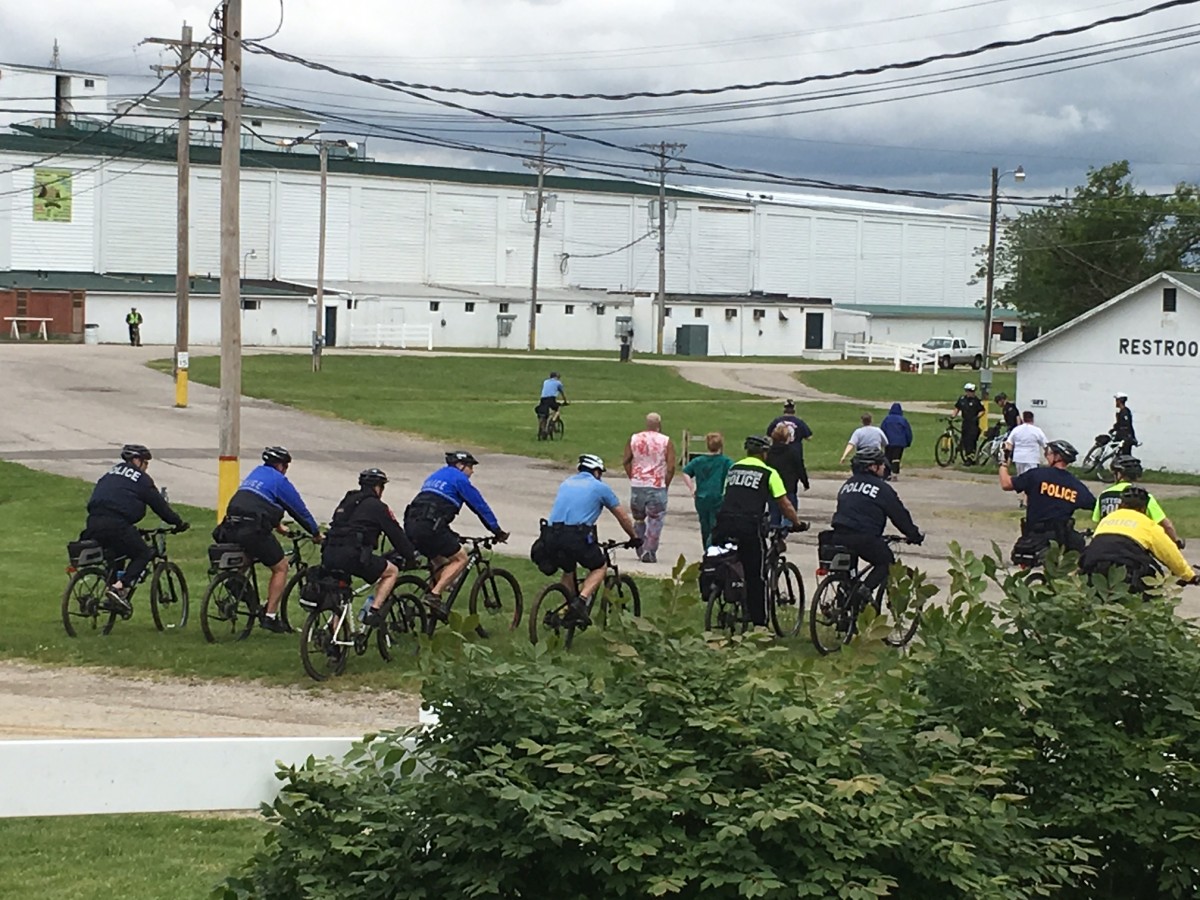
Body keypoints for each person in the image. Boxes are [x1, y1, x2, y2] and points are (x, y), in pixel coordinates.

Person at [215, 446, 323, 633]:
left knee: (248, 556)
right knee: (281, 567)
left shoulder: (256, 474)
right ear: (281, 466)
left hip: (231, 524)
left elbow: (258, 504)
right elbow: (299, 511)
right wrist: (315, 533)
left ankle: (236, 581)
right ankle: (270, 616)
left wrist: (279, 527)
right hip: (253, 529)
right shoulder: (279, 481)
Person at [80, 444, 189, 614]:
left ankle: (112, 594)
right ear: (137, 461)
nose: (146, 468)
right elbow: (159, 505)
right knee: (143, 553)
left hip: (93, 523)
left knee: (117, 554)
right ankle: (119, 587)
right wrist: (178, 523)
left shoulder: (110, 474)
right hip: (117, 523)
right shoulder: (141, 479)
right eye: (146, 463)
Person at [533, 454, 641, 626]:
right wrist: (634, 537)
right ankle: (580, 602)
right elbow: (622, 517)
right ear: (596, 472)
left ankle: (566, 610)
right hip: (575, 535)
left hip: (550, 534)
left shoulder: (566, 483)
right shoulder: (600, 487)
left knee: (568, 569)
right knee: (600, 566)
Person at [711, 435, 806, 628]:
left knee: (728, 561)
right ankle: (760, 624)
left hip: (724, 523)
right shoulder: (768, 472)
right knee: (756, 575)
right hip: (749, 526)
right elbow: (784, 503)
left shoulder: (733, 469)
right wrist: (796, 522)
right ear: (764, 453)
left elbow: (725, 495)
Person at [404, 451, 509, 619]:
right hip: (431, 527)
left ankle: (432, 609)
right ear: (461, 466)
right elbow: (479, 506)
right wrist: (497, 531)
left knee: (440, 562)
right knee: (461, 558)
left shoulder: (435, 476)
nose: (472, 472)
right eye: (471, 467)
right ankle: (435, 595)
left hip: (412, 524)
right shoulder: (460, 479)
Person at [321, 468, 418, 627]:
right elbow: (396, 534)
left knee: (341, 595)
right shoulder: (378, 506)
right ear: (378, 487)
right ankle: (374, 611)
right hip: (353, 555)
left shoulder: (348, 500)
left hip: (330, 552)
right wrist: (410, 556)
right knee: (391, 572)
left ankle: (334, 639)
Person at [828, 446, 924, 605]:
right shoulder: (882, 489)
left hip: (838, 534)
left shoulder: (847, 485)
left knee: (849, 575)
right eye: (881, 463)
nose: (885, 466)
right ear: (873, 466)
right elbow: (898, 514)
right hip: (864, 537)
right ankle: (865, 590)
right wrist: (913, 535)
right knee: (886, 562)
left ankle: (845, 607)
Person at [1079, 486, 1197, 592]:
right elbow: (1169, 553)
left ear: (1120, 506)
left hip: (1092, 563)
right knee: (1146, 592)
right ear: (1144, 509)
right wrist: (1189, 576)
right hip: (1126, 567)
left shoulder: (1107, 519)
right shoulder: (1148, 524)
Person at [999, 439, 1095, 555]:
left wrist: (1003, 464)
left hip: (1033, 534)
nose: (1046, 456)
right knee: (1080, 542)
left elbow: (1006, 484)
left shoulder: (1036, 475)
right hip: (1061, 537)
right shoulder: (1076, 485)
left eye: (1048, 453)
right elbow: (1094, 505)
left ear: (1057, 457)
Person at [622, 412, 676, 564]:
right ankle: (649, 551)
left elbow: (626, 461)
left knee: (639, 519)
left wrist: (633, 477)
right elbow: (671, 466)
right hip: (656, 484)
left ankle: (639, 547)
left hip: (638, 485)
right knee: (655, 519)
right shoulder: (665, 441)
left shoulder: (634, 438)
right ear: (659, 424)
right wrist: (666, 483)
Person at [1092, 455, 1181, 546]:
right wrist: (1176, 541)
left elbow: (1098, 522)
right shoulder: (1143, 496)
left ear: (1118, 474)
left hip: (1105, 544)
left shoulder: (1104, 495)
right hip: (1133, 545)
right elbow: (1166, 525)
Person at [681, 432, 733, 549]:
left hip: (701, 496)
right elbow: (733, 472)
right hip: (717, 496)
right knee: (715, 525)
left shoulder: (699, 461)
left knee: (704, 525)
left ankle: (706, 548)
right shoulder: (725, 461)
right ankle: (713, 547)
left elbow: (686, 472)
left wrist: (691, 487)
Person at [766, 423, 807, 528]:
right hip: (789, 487)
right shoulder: (792, 452)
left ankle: (774, 531)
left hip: (773, 488)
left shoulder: (768, 452)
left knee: (774, 513)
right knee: (789, 511)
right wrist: (805, 481)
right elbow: (799, 467)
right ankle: (784, 532)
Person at [1005, 411, 1047, 476]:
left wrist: (1007, 458)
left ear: (1023, 419)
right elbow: (1045, 445)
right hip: (1032, 458)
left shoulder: (1016, 430)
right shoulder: (1037, 431)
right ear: (1032, 419)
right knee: (1031, 478)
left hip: (1019, 458)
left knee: (1020, 477)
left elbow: (1009, 444)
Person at [952, 382, 984, 464]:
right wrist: (953, 416)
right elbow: (957, 408)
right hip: (965, 423)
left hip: (973, 424)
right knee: (965, 440)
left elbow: (982, 410)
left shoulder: (976, 401)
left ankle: (970, 459)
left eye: (973, 391)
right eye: (970, 391)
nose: (972, 393)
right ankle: (967, 456)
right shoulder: (962, 399)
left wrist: (977, 417)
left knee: (971, 441)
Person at [880, 402, 912, 479]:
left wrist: (882, 441)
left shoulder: (887, 419)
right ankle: (895, 473)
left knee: (888, 457)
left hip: (889, 441)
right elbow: (908, 432)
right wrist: (908, 442)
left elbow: (882, 430)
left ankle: (886, 474)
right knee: (896, 458)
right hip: (900, 442)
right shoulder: (903, 420)